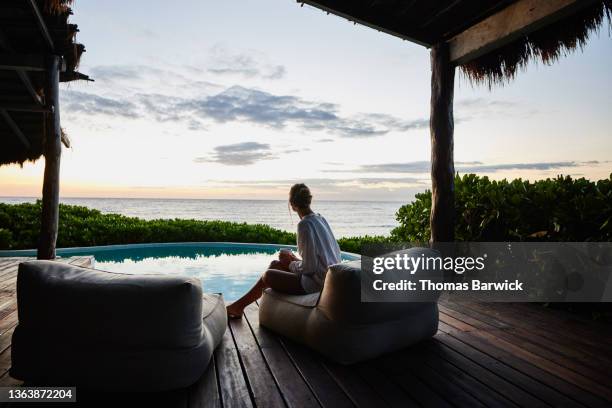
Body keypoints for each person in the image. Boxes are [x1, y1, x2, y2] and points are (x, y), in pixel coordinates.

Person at [226, 183, 341, 319]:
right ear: (309, 200)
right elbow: (322, 259)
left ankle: (238, 307)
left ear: (292, 204)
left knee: (268, 275)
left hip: (316, 285)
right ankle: (238, 307)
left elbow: (310, 267)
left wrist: (289, 263)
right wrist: (293, 259)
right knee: (275, 264)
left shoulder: (304, 225)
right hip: (326, 278)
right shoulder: (321, 219)